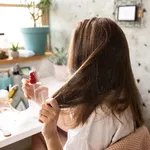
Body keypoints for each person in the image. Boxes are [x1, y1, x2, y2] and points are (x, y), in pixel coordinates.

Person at [22, 17, 144, 150]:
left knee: (40, 136)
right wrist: (43, 102)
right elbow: (75, 121)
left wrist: (50, 135)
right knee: (38, 137)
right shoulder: (121, 96)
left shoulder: (95, 118)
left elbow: (83, 128)